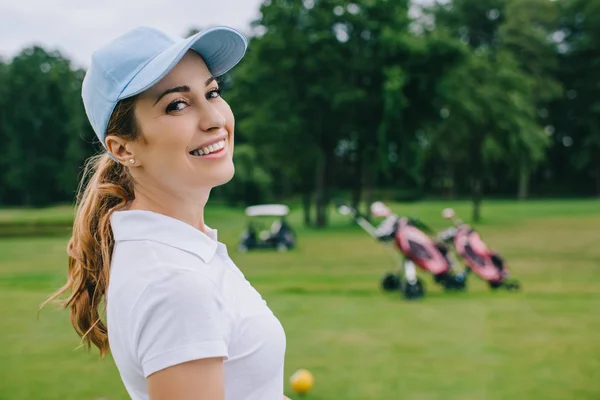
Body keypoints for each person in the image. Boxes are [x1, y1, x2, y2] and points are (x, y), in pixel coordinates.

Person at [44, 25, 290, 400]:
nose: (214, 119)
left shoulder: (180, 254)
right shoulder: (174, 282)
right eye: (177, 104)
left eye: (212, 92)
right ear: (123, 149)